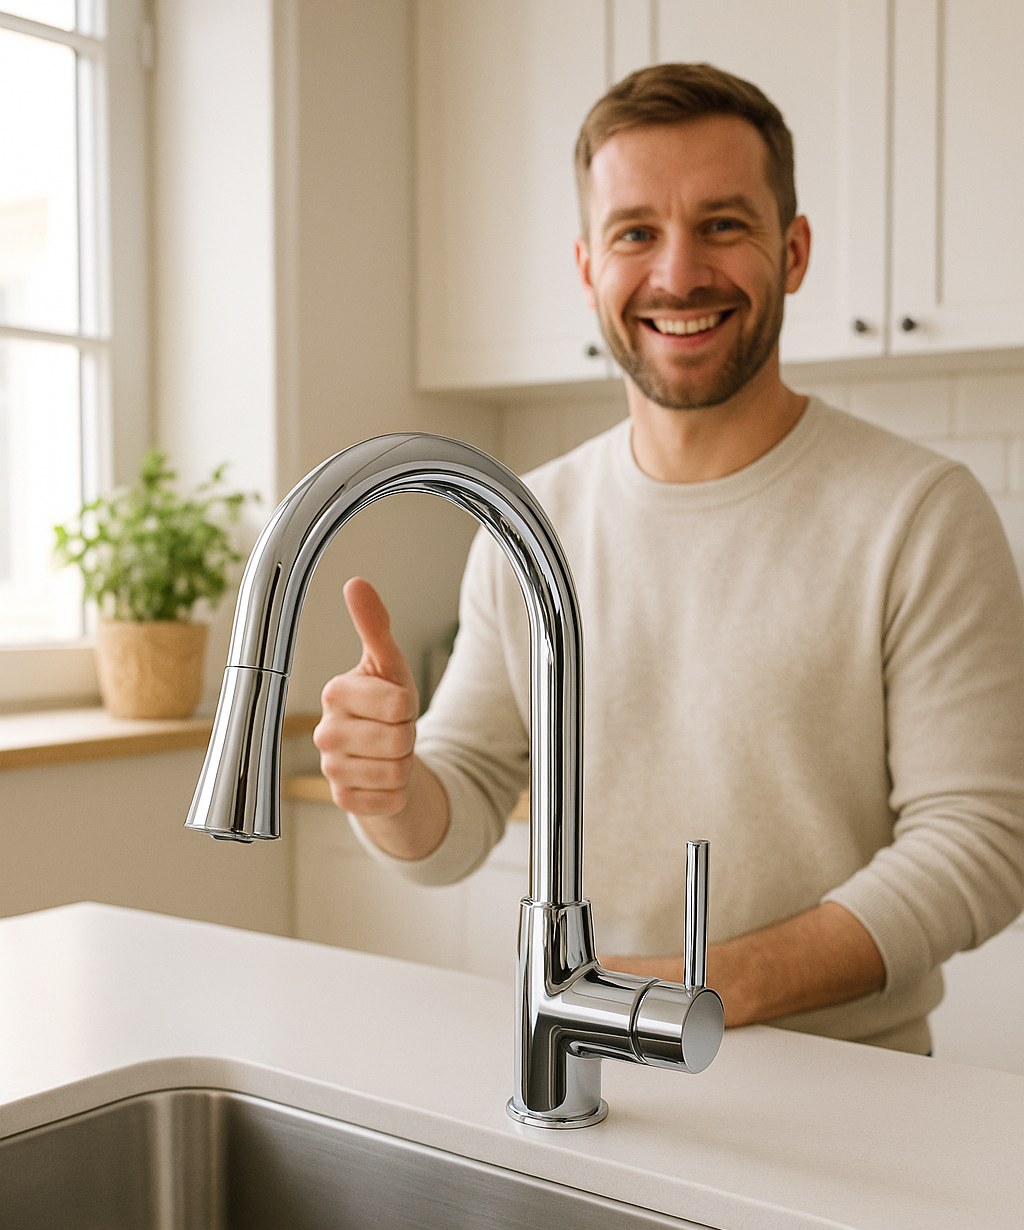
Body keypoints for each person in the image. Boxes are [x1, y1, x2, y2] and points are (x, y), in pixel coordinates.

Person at [313, 63, 1024, 1054]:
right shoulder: (530, 521)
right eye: (635, 232)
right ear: (586, 266)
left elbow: (979, 844)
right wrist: (389, 790)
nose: (678, 273)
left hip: (853, 1099)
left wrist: (706, 985)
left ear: (794, 248)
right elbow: (460, 803)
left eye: (723, 224)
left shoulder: (918, 514)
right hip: (598, 1067)